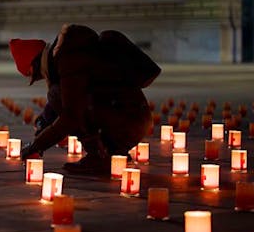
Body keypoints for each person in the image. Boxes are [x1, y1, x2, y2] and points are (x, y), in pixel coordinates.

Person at [10, 24, 159, 175]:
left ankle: (99, 156)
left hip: (127, 122)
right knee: (58, 95)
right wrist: (45, 121)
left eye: (30, 74)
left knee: (56, 95)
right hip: (132, 118)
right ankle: (113, 153)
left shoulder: (69, 57)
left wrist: (37, 145)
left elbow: (71, 114)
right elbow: (73, 93)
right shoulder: (68, 53)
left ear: (34, 64)